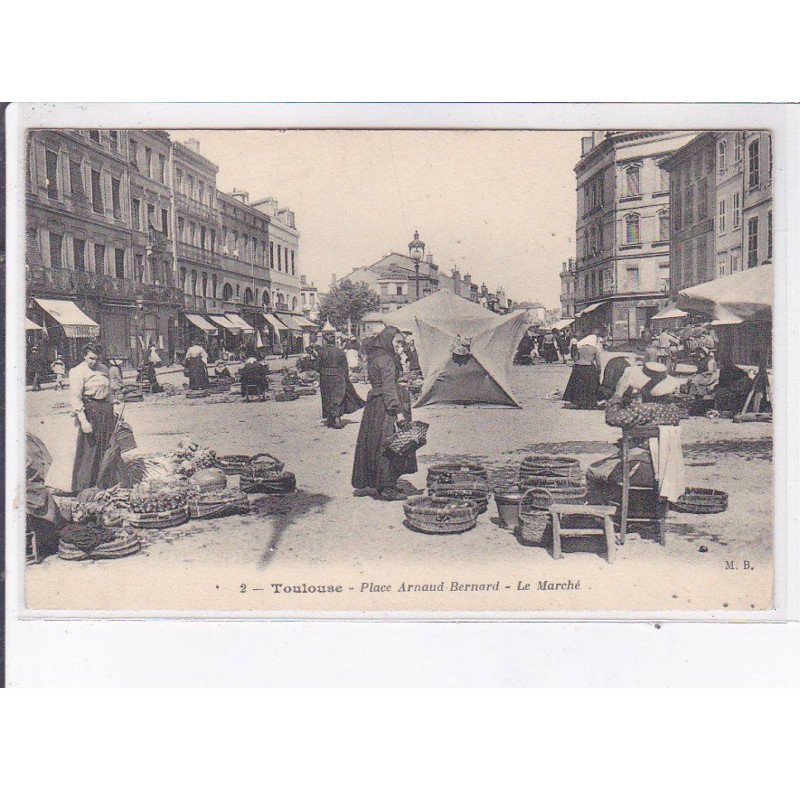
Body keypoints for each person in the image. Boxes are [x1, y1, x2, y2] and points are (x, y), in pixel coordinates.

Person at [352, 326, 417, 501]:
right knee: (390, 445)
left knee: (375, 443)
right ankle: (387, 487)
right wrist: (398, 412)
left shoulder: (375, 357)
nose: (400, 347)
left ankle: (378, 482)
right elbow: (389, 388)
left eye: (402, 343)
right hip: (386, 407)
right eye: (397, 342)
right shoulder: (387, 360)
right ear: (388, 341)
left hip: (375, 406)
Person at [70, 342, 119, 493]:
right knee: (90, 449)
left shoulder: (104, 369)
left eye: (96, 359)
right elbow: (75, 397)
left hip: (106, 411)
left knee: (108, 446)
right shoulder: (78, 371)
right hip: (90, 412)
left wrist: (114, 403)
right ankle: (85, 487)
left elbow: (108, 391)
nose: (94, 362)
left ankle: (106, 482)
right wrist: (83, 421)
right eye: (91, 358)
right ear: (84, 356)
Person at [317, 332, 365, 428]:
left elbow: (317, 366)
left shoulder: (321, 352)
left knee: (327, 397)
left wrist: (322, 371)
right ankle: (336, 417)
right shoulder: (340, 351)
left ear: (325, 341)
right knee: (337, 397)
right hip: (338, 375)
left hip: (325, 376)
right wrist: (345, 377)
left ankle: (332, 417)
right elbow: (345, 367)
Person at [563, 334, 602, 409]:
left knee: (578, 385)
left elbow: (575, 358)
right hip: (589, 367)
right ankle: (589, 401)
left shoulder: (580, 348)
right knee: (590, 385)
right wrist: (599, 371)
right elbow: (598, 362)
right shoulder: (595, 349)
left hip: (578, 367)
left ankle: (577, 401)